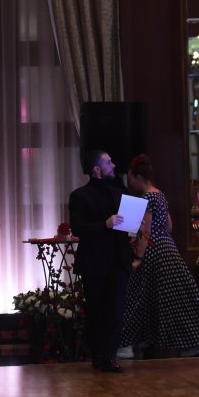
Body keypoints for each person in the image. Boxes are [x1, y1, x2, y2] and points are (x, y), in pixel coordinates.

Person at [119, 155, 199, 358]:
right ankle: (195, 342)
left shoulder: (145, 199)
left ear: (139, 177)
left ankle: (127, 344)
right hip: (169, 249)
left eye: (131, 178)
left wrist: (138, 257)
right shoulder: (159, 195)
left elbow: (145, 231)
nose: (130, 183)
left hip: (153, 252)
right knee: (176, 299)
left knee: (137, 298)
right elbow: (168, 226)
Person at [69, 151, 132, 373]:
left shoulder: (119, 193)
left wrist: (134, 225)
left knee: (116, 312)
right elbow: (78, 228)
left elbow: (125, 228)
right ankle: (98, 356)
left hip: (118, 261)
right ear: (96, 169)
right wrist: (104, 224)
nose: (113, 164)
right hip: (94, 262)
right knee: (96, 311)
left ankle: (110, 356)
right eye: (108, 162)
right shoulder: (79, 196)